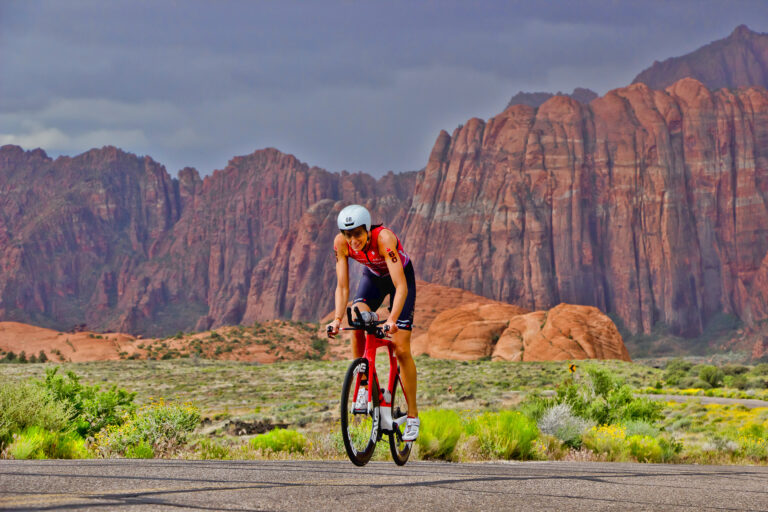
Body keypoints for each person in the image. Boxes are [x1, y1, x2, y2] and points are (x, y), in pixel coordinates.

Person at [326, 204, 419, 441]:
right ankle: (363, 384)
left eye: (357, 233)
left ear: (367, 229)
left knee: (401, 348)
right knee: (356, 318)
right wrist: (337, 320)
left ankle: (412, 416)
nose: (353, 240)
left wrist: (392, 320)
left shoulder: (384, 238)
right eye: (348, 235)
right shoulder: (341, 244)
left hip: (400, 280)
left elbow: (401, 287)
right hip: (374, 279)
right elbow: (343, 286)